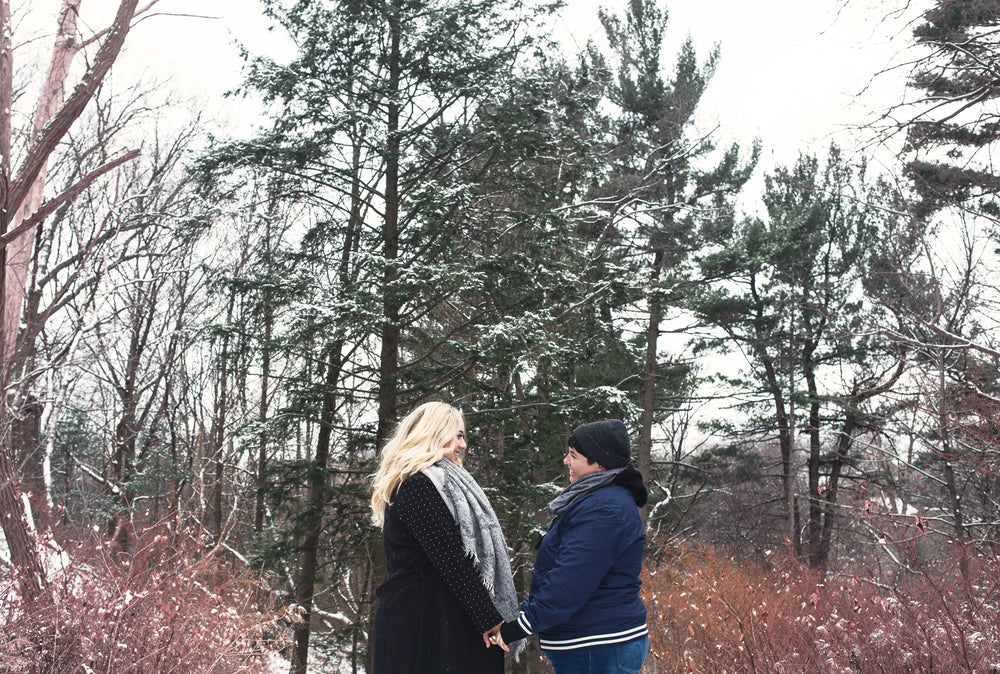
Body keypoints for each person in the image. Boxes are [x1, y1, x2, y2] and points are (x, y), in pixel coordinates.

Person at [370, 401, 523, 673]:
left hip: (438, 616)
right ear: (433, 433)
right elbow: (450, 558)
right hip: (421, 623)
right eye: (458, 435)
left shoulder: (438, 483)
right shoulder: (417, 485)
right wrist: (489, 619)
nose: (463, 445)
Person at [489, 418, 649, 673]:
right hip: (594, 646)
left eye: (573, 455)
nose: (566, 461)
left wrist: (520, 625)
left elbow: (571, 580)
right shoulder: (598, 500)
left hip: (599, 647)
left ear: (598, 464)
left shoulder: (604, 508)